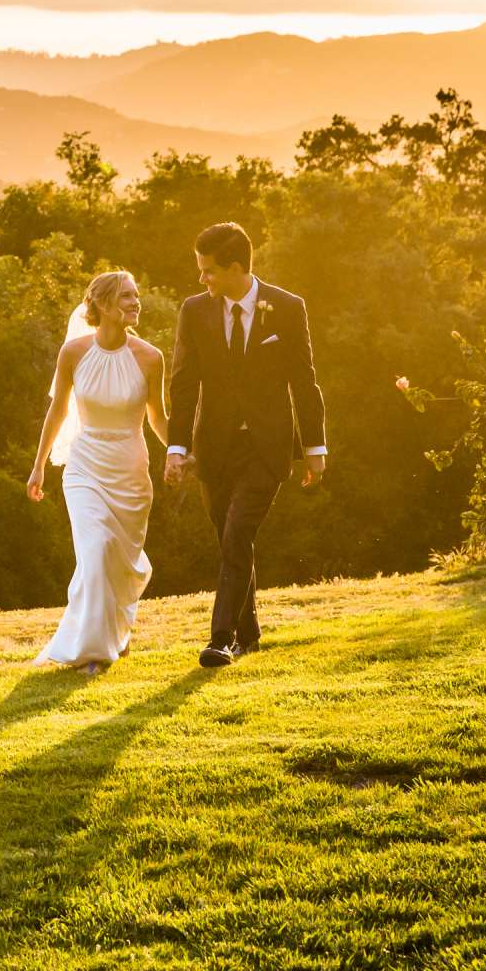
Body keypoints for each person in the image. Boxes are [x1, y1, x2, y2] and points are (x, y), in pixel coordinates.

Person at [162, 221, 327, 668]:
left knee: (237, 533)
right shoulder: (194, 311)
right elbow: (183, 385)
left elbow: (304, 380)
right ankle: (251, 632)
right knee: (231, 540)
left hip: (267, 447)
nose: (202, 280)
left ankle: (221, 638)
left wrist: (315, 445)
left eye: (209, 270)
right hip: (213, 448)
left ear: (236, 267)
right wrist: (177, 448)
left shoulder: (288, 308)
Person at [24, 270, 169, 672]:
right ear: (102, 305)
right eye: (126, 296)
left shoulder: (150, 357)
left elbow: (157, 416)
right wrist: (39, 466)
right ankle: (93, 652)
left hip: (130, 469)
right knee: (97, 548)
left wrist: (179, 451)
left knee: (120, 562)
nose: (135, 303)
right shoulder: (73, 354)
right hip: (84, 467)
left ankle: (117, 631)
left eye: (136, 295)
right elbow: (58, 411)